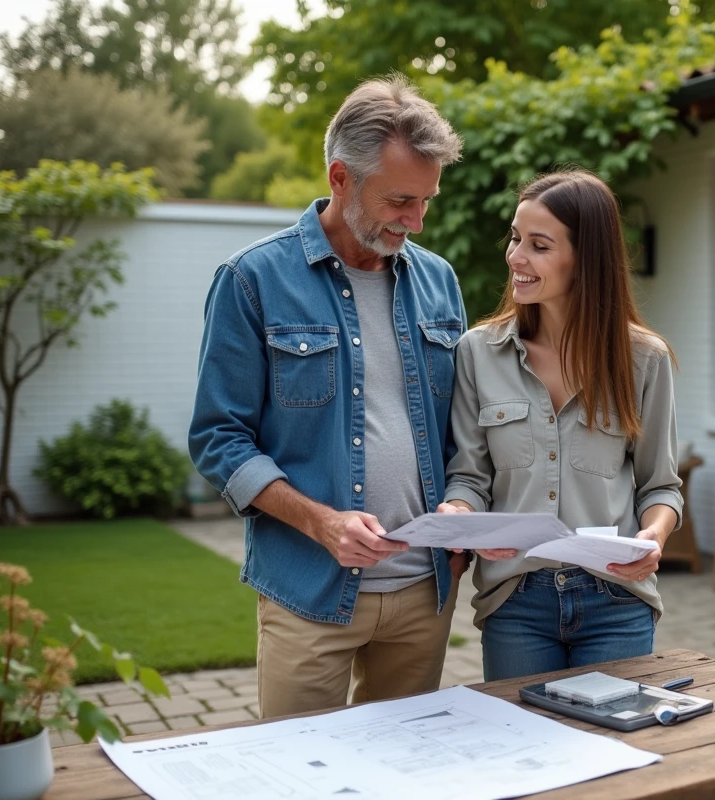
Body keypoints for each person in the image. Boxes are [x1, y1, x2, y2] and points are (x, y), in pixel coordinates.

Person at [188, 76, 469, 718]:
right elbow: (217, 437)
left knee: (405, 776)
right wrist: (322, 521)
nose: (416, 221)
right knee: (297, 778)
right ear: (341, 178)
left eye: (426, 202)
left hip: (425, 593)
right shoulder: (251, 279)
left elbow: (459, 429)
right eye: (401, 200)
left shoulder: (438, 280)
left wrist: (461, 505)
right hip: (308, 592)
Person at [438, 168, 682, 681]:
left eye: (539, 245)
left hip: (615, 598)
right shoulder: (478, 353)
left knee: (617, 752)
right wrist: (460, 514)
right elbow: (469, 477)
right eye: (515, 238)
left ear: (585, 259)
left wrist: (653, 538)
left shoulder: (645, 360)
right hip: (515, 601)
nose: (515, 257)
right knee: (524, 751)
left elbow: (661, 486)